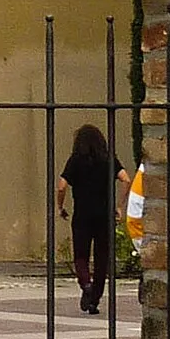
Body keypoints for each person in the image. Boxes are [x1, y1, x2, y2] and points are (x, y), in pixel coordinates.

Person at [56, 122, 127, 317]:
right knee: (102, 258)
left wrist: (60, 206)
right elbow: (125, 179)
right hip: (104, 214)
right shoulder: (108, 159)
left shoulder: (76, 160)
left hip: (82, 214)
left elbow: (62, 185)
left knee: (81, 255)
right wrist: (119, 206)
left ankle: (86, 284)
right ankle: (94, 299)